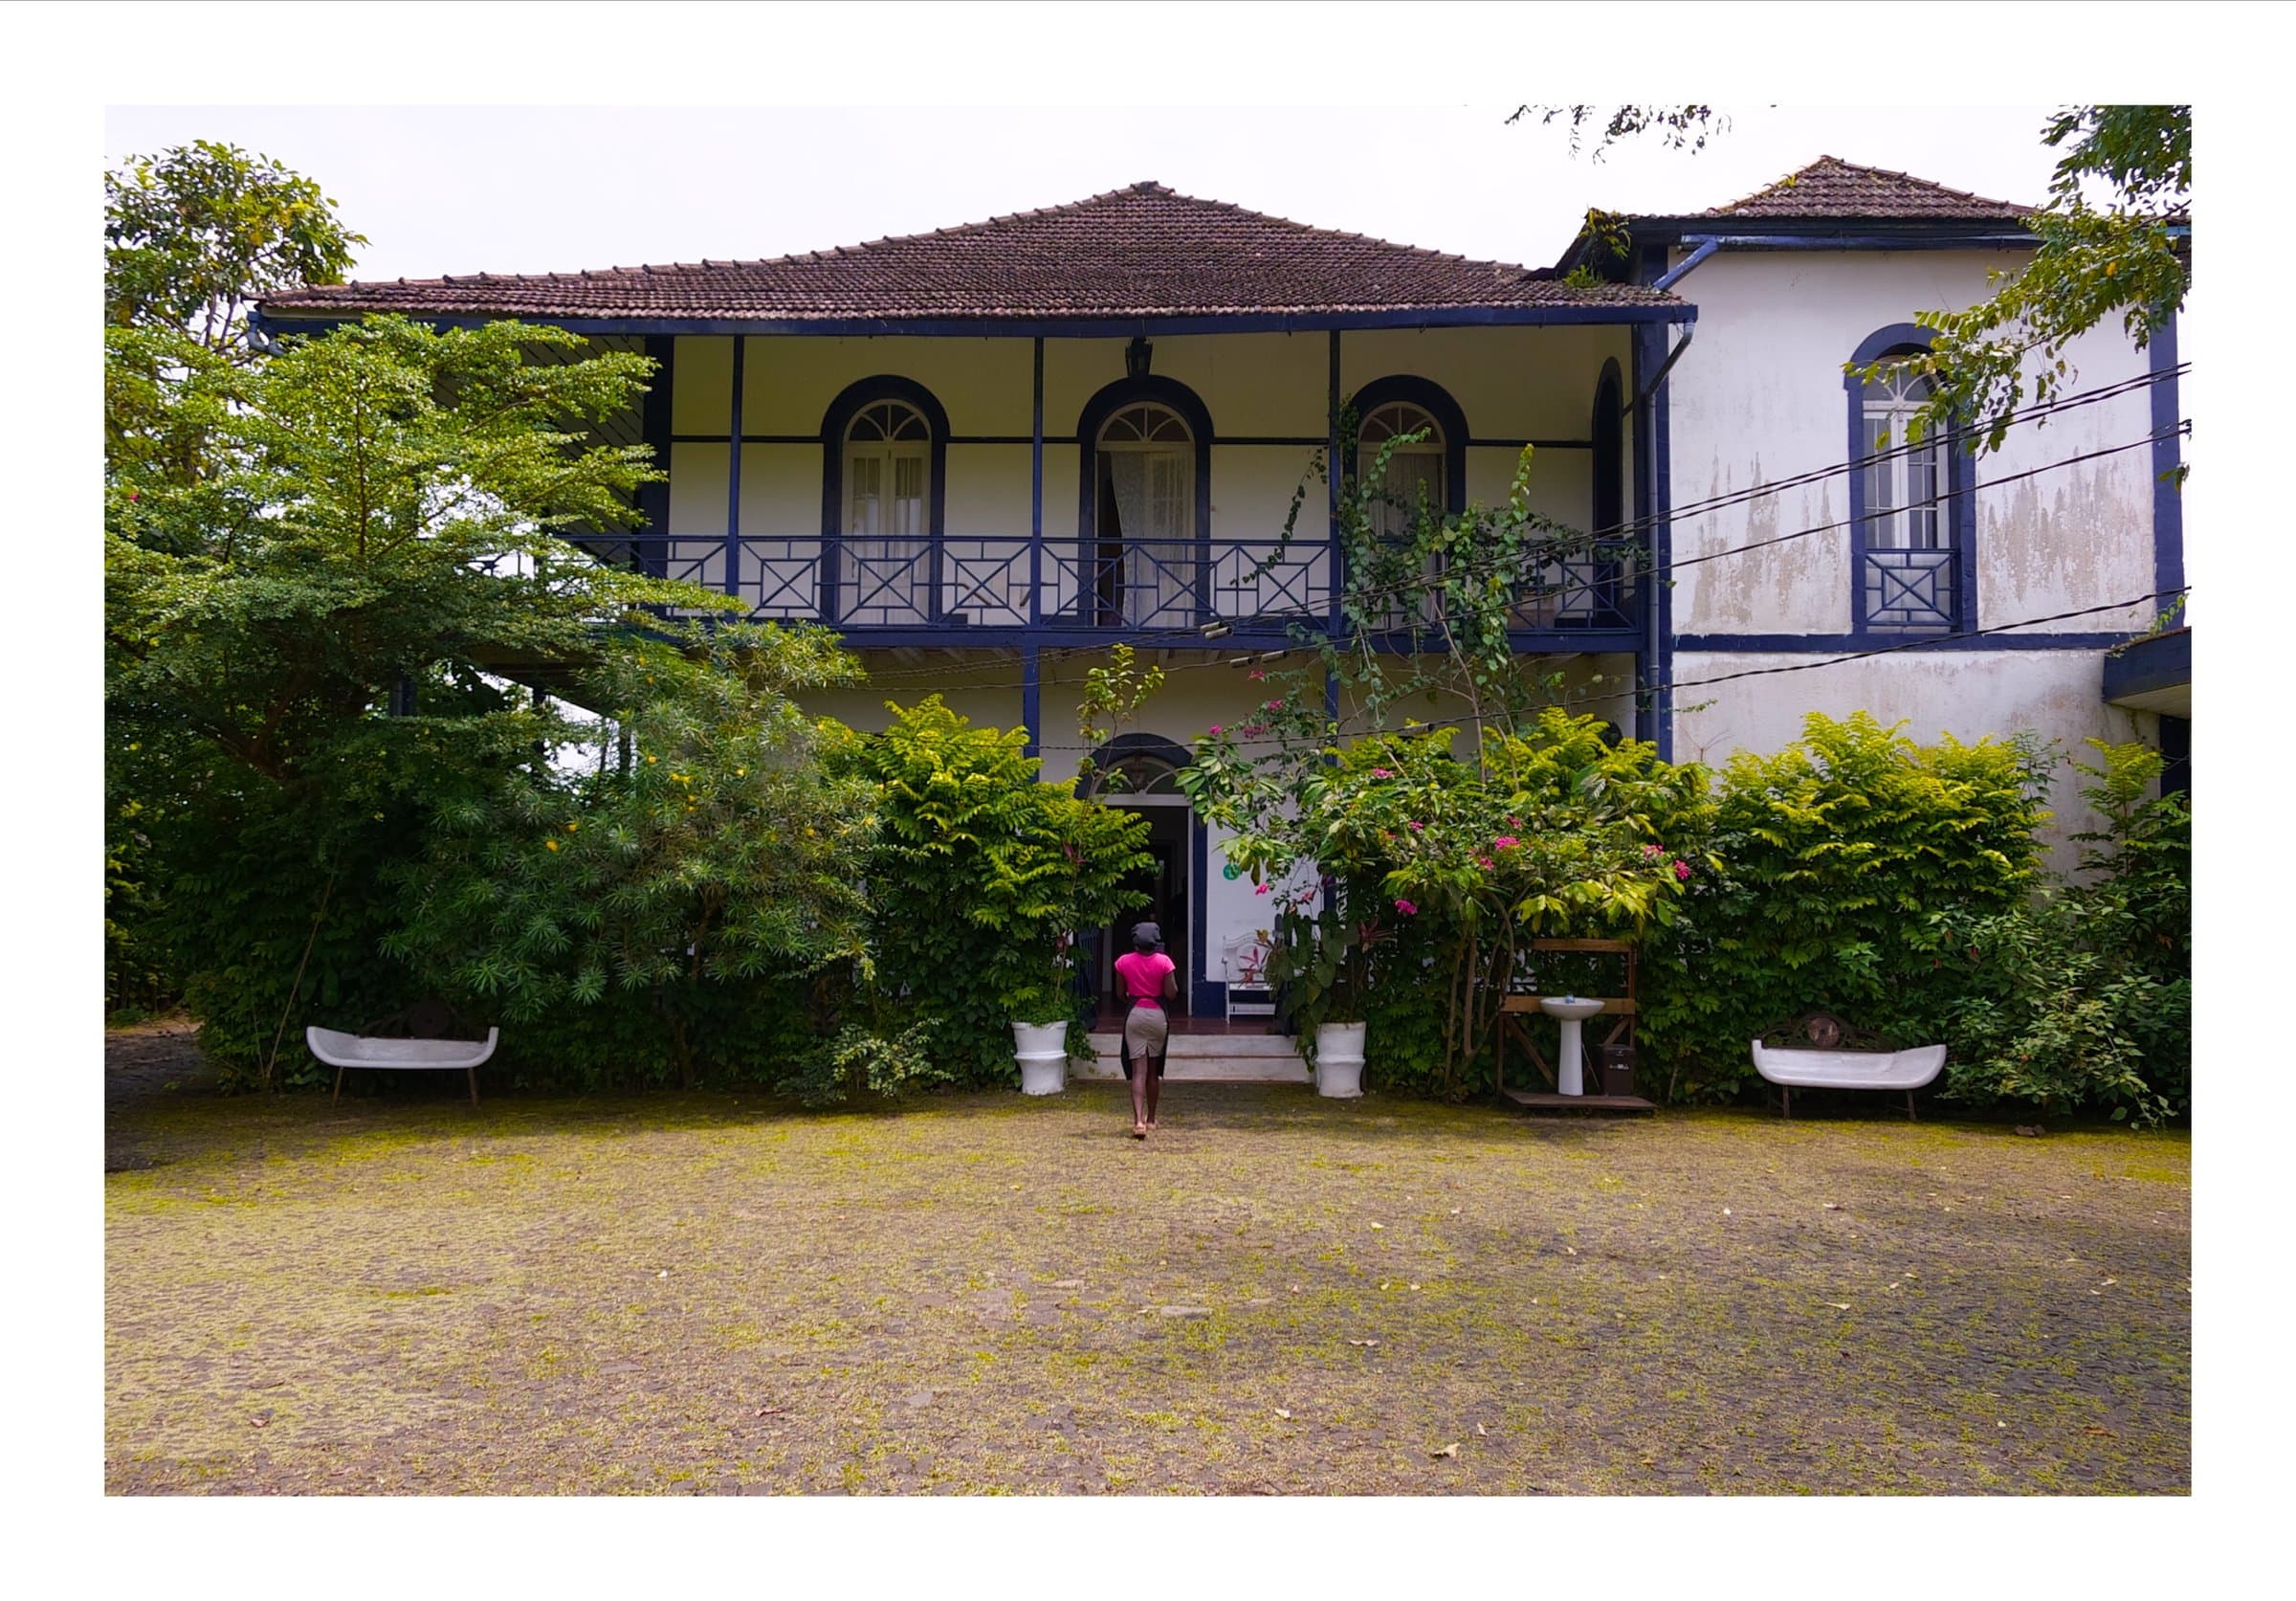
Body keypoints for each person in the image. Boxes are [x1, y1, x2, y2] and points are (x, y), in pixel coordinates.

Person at [1112, 921, 1178, 1138]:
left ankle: (1137, 1122)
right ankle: (1151, 1119)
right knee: (1152, 1070)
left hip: (1135, 1015)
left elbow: (1120, 993)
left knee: (1138, 1071)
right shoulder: (1164, 962)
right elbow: (1171, 993)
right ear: (1155, 941)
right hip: (1158, 1015)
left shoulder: (1123, 962)